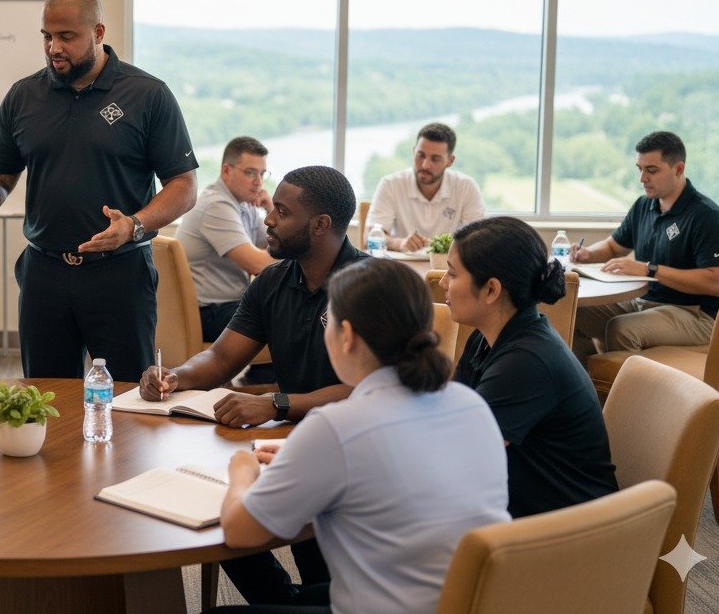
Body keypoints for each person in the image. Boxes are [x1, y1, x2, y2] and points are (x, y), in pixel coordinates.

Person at [0, 0, 198, 382]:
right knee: (45, 397)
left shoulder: (148, 95)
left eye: (67, 37)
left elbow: (184, 185)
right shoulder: (24, 96)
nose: (54, 47)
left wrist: (134, 225)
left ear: (99, 33)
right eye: (47, 36)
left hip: (120, 274)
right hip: (45, 273)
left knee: (126, 399)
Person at [213, 258, 509, 614]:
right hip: (463, 601)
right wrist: (307, 461)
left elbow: (239, 532)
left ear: (347, 335)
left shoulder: (337, 427)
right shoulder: (470, 404)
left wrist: (242, 470)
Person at [141, 165, 366, 603]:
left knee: (319, 568)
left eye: (282, 212)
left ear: (320, 225)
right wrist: (176, 376)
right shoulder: (276, 280)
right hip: (289, 440)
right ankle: (284, 602)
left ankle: (303, 602)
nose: (268, 219)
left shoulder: (368, 287)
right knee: (213, 509)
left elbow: (372, 390)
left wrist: (277, 403)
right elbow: (223, 357)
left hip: (349, 448)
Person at [444, 216, 619, 518]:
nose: (443, 283)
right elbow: (450, 414)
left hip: (570, 531)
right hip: (524, 507)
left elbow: (460, 460)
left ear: (491, 290)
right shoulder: (488, 337)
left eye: (451, 273)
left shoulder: (525, 362)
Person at [571, 131, 719, 357]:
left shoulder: (706, 216)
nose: (642, 178)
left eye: (652, 170)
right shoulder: (644, 205)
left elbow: (716, 282)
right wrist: (587, 253)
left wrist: (649, 269)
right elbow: (614, 246)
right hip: (645, 302)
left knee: (622, 330)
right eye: (640, 169)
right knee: (571, 314)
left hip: (696, 314)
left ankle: (624, 391)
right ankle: (590, 385)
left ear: (678, 169)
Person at [177, 136, 275, 344]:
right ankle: (262, 376)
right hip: (207, 312)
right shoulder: (216, 205)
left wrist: (271, 209)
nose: (258, 182)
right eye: (250, 173)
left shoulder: (245, 203)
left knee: (286, 307)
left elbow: (272, 246)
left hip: (228, 305)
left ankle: (262, 374)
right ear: (226, 171)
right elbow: (257, 264)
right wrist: (304, 261)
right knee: (288, 314)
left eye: (262, 173)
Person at [365, 122, 485, 252]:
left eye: (435, 159)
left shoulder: (466, 187)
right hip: (403, 268)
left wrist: (440, 246)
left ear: (450, 161)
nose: (425, 165)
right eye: (420, 155)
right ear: (413, 152)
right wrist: (400, 243)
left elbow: (479, 241)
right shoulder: (391, 184)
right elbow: (368, 237)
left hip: (447, 268)